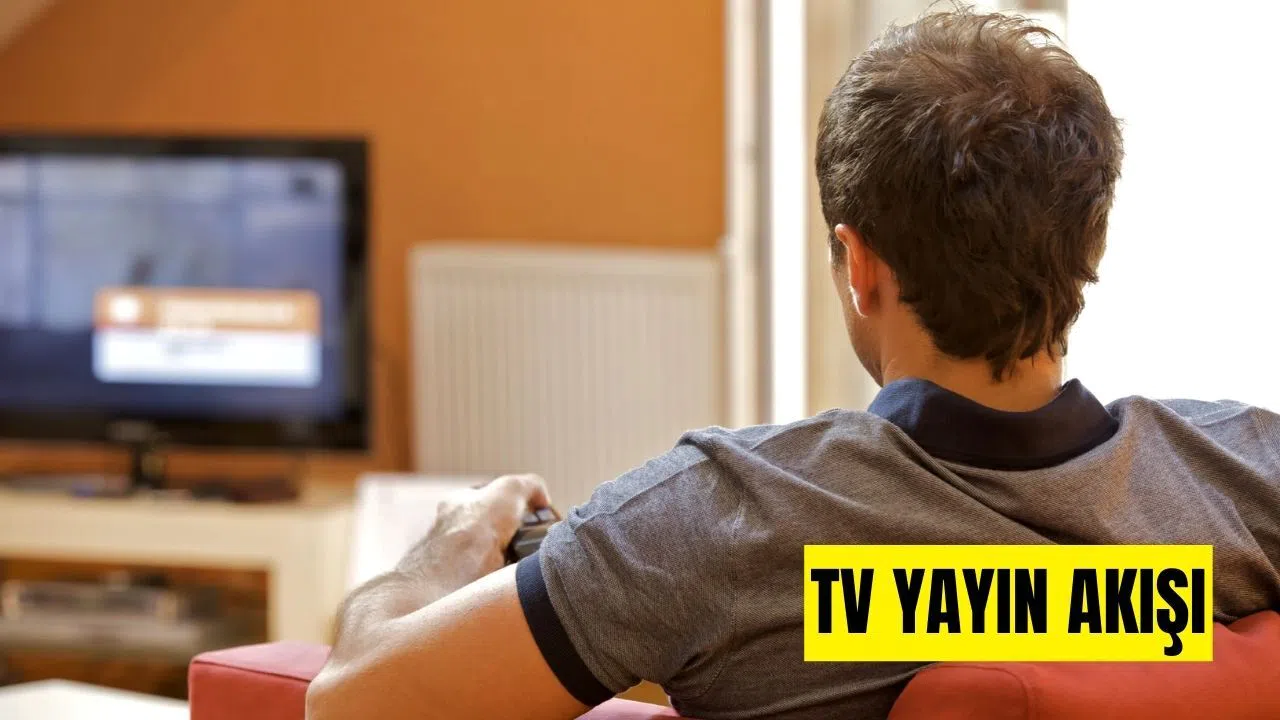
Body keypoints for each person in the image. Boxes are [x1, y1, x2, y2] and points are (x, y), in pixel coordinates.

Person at [306, 9, 1280, 720]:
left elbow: (352, 703)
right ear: (1089, 244)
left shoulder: (712, 523)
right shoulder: (1249, 473)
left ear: (859, 267)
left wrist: (446, 549)